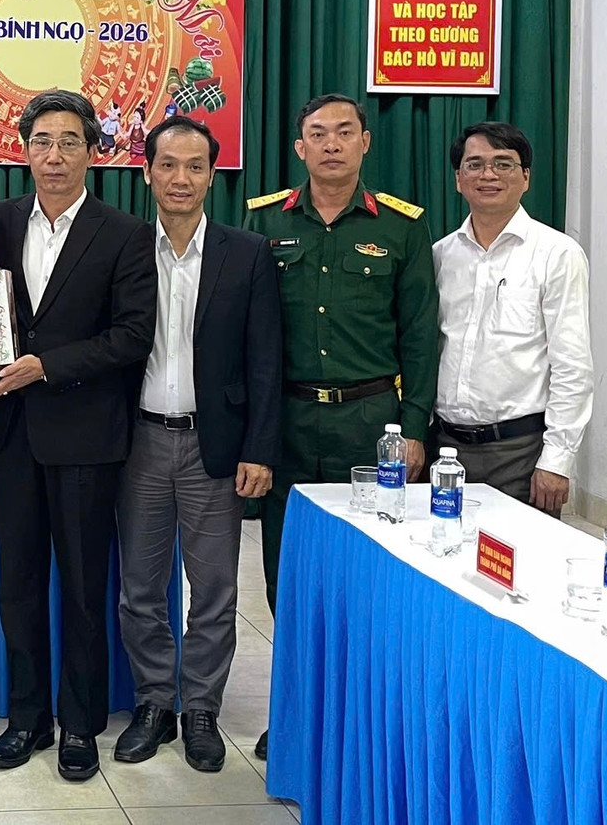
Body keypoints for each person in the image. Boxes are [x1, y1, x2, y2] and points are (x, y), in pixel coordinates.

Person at [242, 92, 438, 761]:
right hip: (289, 423)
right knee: (286, 576)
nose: (331, 144)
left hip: (369, 424)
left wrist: (414, 427)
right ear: (299, 147)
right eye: (318, 133)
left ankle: (360, 722)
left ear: (364, 143)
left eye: (344, 132)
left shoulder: (403, 229)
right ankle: (296, 715)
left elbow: (420, 337)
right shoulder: (264, 222)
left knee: (367, 579)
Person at [0, 89, 156, 783]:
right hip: (11, 434)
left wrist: (46, 366)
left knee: (84, 588)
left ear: (93, 152)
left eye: (69, 142)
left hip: (85, 434)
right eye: (42, 141)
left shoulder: (125, 233)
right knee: (17, 584)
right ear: (23, 150)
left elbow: (132, 336)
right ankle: (28, 718)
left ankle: (80, 724)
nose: (54, 155)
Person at [113, 116, 282, 774]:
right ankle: (154, 701)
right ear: (147, 172)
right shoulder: (124, 247)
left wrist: (258, 449)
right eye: (168, 165)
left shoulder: (247, 252)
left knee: (214, 589)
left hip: (216, 447)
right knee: (140, 587)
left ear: (213, 175)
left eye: (194, 166)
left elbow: (265, 360)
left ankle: (202, 709)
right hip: (140, 443)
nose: (180, 178)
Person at [432, 123, 591, 516]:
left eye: (503, 163)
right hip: (445, 449)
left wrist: (557, 461)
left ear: (526, 178)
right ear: (458, 179)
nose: (488, 174)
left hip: (520, 453)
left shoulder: (557, 253)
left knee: (517, 556)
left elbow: (572, 366)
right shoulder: (440, 255)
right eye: (475, 164)